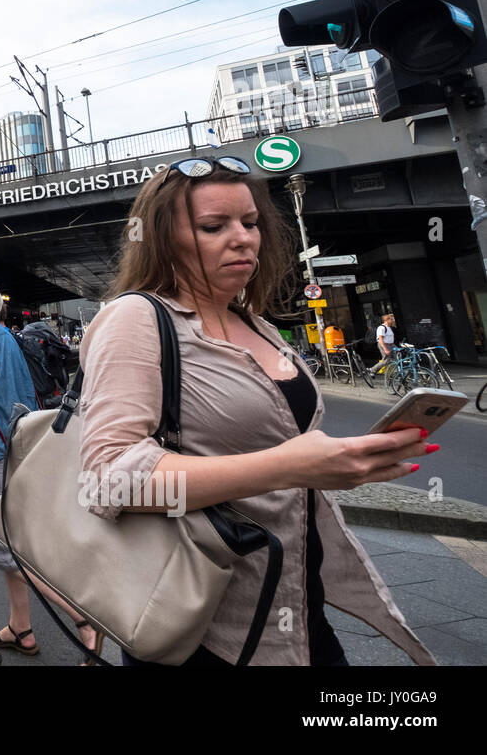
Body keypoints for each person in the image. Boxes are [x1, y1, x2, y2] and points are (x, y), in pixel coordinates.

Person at [78, 155, 434, 665]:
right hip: (205, 627)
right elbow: (108, 477)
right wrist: (289, 466)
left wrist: (350, 459)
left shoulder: (255, 322)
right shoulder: (135, 318)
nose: (242, 237)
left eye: (249, 222)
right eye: (212, 226)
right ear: (160, 239)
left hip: (298, 601)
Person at [0, 278, 77, 658]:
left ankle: (84, 620)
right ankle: (20, 628)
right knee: (14, 547)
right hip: (20, 446)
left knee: (6, 548)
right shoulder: (5, 335)